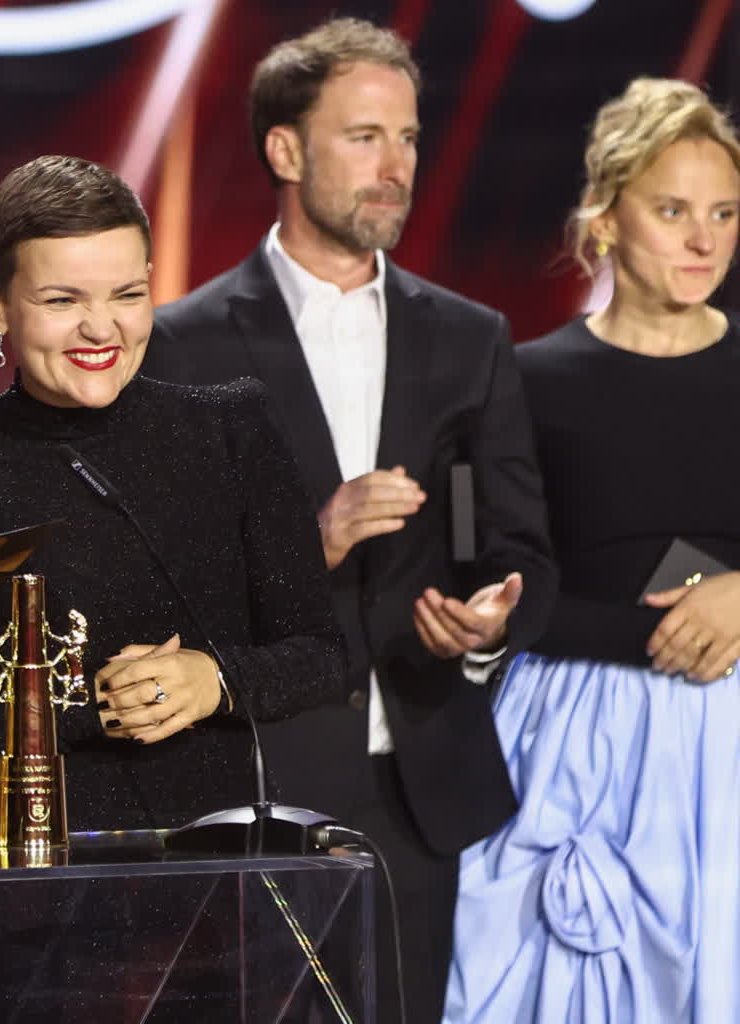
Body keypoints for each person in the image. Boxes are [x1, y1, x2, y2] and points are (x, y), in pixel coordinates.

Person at [139, 18, 556, 1022]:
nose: (396, 165)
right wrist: (308, 543)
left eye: (407, 138)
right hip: (262, 779)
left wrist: (490, 625)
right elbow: (157, 582)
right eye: (365, 137)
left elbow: (522, 549)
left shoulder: (470, 338)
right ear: (285, 150)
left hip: (419, 779)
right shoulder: (184, 344)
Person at [0, 154, 346, 1020]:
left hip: (219, 899)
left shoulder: (230, 430)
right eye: (63, 300)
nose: (101, 328)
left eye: (128, 294)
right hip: (32, 919)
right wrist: (86, 710)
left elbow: (320, 654)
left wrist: (214, 680)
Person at [445, 79, 740, 1023]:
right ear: (606, 219)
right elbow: (501, 575)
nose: (704, 240)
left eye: (725, 213)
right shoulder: (526, 380)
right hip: (572, 737)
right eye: (673, 211)